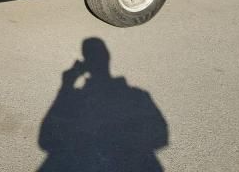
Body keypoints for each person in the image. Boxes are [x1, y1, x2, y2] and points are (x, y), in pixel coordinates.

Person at [38, 38, 168, 172]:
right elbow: (161, 136)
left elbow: (46, 139)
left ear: (85, 64)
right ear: (107, 57)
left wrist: (66, 87)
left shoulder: (75, 100)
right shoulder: (138, 96)